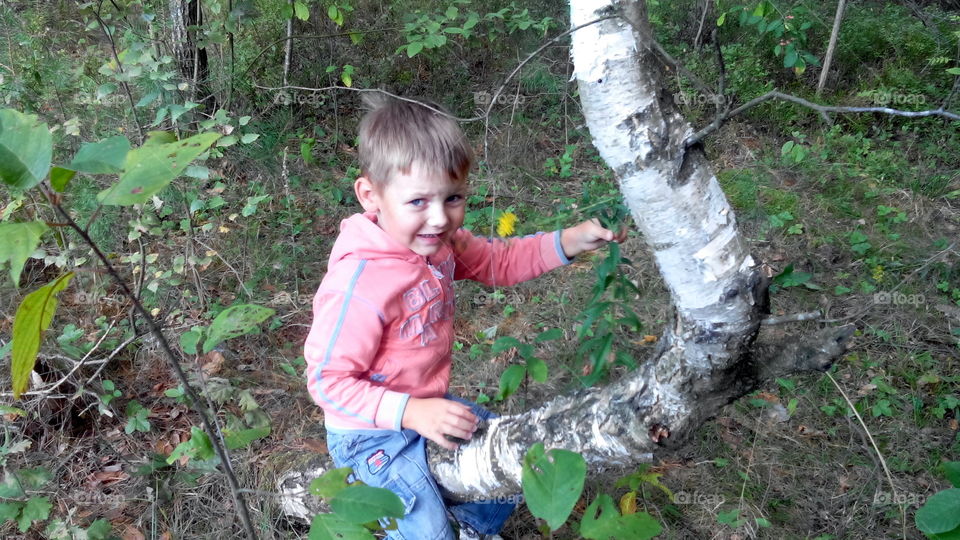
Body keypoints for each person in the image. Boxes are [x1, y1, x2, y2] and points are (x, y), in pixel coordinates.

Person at [303, 93, 625, 539]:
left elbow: (498, 261)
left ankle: (472, 527)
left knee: (511, 455)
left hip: (425, 408)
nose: (439, 218)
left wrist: (568, 240)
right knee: (426, 527)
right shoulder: (360, 284)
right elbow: (327, 382)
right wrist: (410, 411)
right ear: (370, 196)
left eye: (453, 197)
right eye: (418, 202)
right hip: (371, 436)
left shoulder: (440, 243)